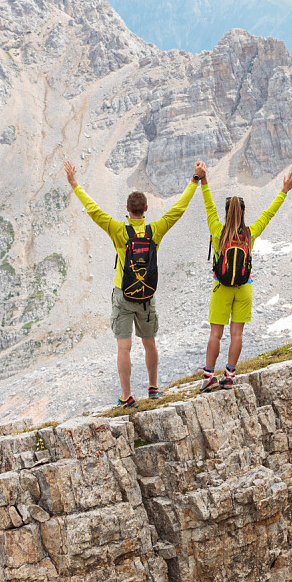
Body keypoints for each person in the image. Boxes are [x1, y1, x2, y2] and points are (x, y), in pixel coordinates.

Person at [63, 159, 202, 408]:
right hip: (146, 296)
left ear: (128, 209)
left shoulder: (118, 230)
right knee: (149, 344)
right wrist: (194, 180)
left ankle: (126, 396)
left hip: (123, 295)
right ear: (146, 209)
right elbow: (178, 209)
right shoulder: (155, 230)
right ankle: (153, 388)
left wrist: (74, 183)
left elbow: (94, 210)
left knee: (124, 348)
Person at [196, 161, 292, 391]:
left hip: (220, 287)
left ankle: (208, 376)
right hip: (245, 287)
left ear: (225, 213)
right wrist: (283, 191)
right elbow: (269, 214)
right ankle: (230, 375)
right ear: (243, 213)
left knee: (216, 333)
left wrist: (203, 179)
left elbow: (208, 204)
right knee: (236, 333)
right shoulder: (249, 235)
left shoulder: (217, 231)